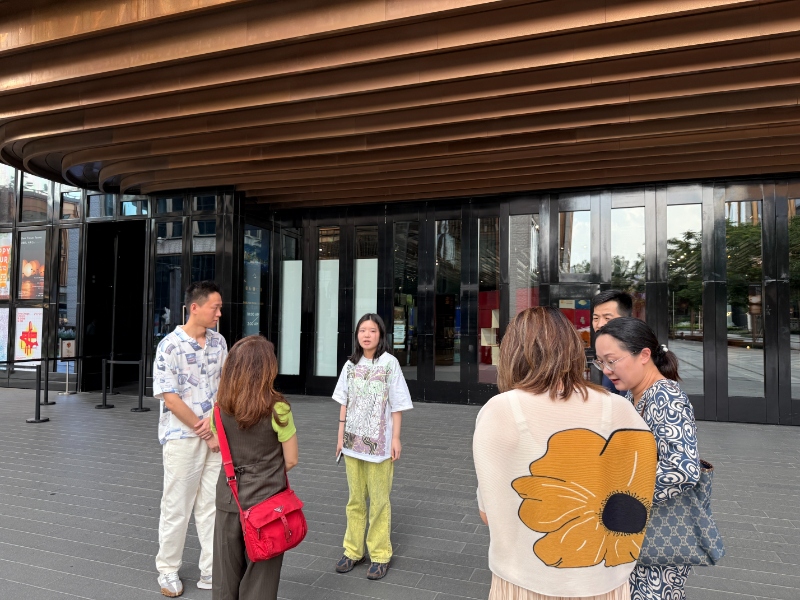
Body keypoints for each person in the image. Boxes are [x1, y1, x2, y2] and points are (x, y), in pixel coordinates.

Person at [473, 307, 658, 600]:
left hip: (524, 579)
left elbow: (488, 514)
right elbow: (641, 496)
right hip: (606, 582)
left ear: (512, 352)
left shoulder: (501, 409)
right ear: (572, 349)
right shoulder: (620, 408)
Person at [595, 317, 701, 600]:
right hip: (636, 530)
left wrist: (620, 497)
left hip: (658, 533)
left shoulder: (666, 397)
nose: (606, 370)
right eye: (600, 362)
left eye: (612, 361)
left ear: (643, 355)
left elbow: (683, 469)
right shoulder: (633, 395)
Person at [153, 281, 227, 597]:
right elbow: (170, 398)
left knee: (212, 505)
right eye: (215, 307)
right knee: (177, 506)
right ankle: (168, 570)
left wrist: (215, 430)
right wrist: (204, 430)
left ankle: (211, 570)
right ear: (194, 307)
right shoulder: (169, 346)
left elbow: (224, 387)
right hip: (183, 437)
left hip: (216, 437)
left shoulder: (219, 342)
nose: (219, 313)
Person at [211, 336, 298, 600]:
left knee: (225, 574)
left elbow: (219, 446)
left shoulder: (219, 409)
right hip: (267, 502)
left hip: (229, 497)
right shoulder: (278, 408)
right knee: (262, 577)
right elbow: (291, 459)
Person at [332, 313, 413, 580]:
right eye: (362, 331)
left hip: (380, 446)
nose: (367, 335)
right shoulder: (350, 365)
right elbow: (344, 402)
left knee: (379, 501)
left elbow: (397, 403)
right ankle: (353, 550)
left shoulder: (390, 364)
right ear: (357, 335)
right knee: (355, 500)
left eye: (372, 331)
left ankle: (380, 554)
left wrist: (396, 438)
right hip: (352, 443)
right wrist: (340, 437)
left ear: (381, 335)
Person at [591, 290, 634, 396]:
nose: (600, 324)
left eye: (607, 318)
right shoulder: (607, 353)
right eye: (595, 318)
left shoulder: (634, 355)